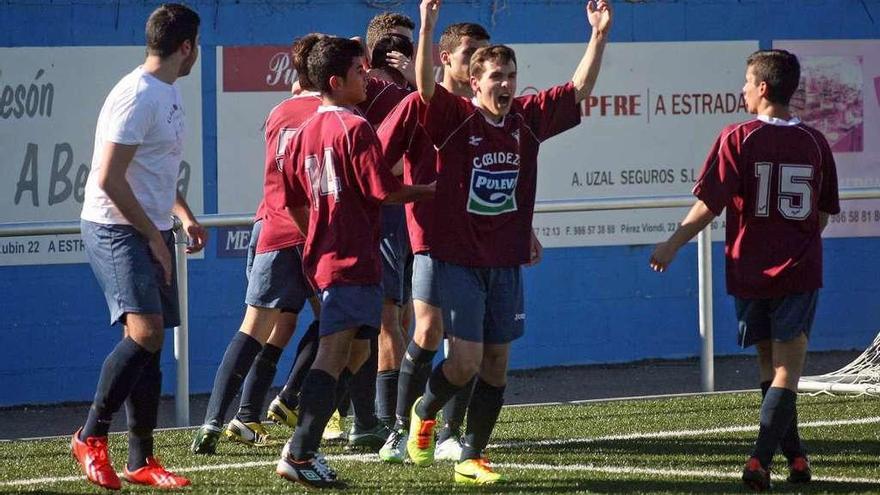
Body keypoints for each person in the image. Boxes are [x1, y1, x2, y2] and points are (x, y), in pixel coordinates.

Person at [402, 0, 611, 485]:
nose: (506, 85)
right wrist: (429, 25)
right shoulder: (455, 118)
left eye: (511, 76)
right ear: (475, 82)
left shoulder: (526, 120)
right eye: (496, 76)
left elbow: (579, 89)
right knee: (465, 361)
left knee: (496, 366)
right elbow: (424, 89)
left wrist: (598, 36)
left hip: (506, 261)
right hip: (460, 261)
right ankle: (425, 409)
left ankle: (472, 456)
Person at [649, 49, 839, 492]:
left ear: (764, 88)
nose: (742, 90)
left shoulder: (737, 137)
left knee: (769, 364)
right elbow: (824, 214)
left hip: (749, 269)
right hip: (798, 269)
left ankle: (763, 458)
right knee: (785, 370)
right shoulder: (815, 142)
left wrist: (672, 242)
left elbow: (708, 205)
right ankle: (788, 455)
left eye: (746, 82)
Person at [274, 37, 434, 489]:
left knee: (357, 349)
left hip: (333, 258)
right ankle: (301, 450)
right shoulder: (355, 127)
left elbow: (294, 201)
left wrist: (318, 236)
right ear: (335, 81)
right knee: (334, 351)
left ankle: (321, 432)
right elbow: (384, 191)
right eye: (360, 72)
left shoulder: (305, 129)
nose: (368, 77)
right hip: (350, 260)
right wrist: (432, 190)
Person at [73, 3, 203, 490]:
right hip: (114, 227)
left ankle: (140, 459)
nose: (197, 54)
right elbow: (108, 178)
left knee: (151, 343)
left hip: (150, 227)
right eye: (197, 46)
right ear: (186, 46)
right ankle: (90, 436)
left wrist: (183, 216)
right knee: (146, 332)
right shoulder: (137, 95)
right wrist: (152, 235)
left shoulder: (168, 92)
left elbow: (153, 170)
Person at [190, 33, 326, 455]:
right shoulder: (331, 113)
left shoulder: (279, 111)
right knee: (342, 323)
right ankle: (287, 400)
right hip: (312, 231)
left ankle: (223, 419)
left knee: (263, 326)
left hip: (270, 227)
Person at [375, 20, 493, 464]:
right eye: (470, 55)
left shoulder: (491, 111)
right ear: (446, 58)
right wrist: (415, 193)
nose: (480, 63)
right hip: (431, 238)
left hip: (483, 243)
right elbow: (376, 166)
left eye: (486, 54)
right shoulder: (416, 105)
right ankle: (400, 429)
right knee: (428, 329)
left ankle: (449, 432)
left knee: (471, 341)